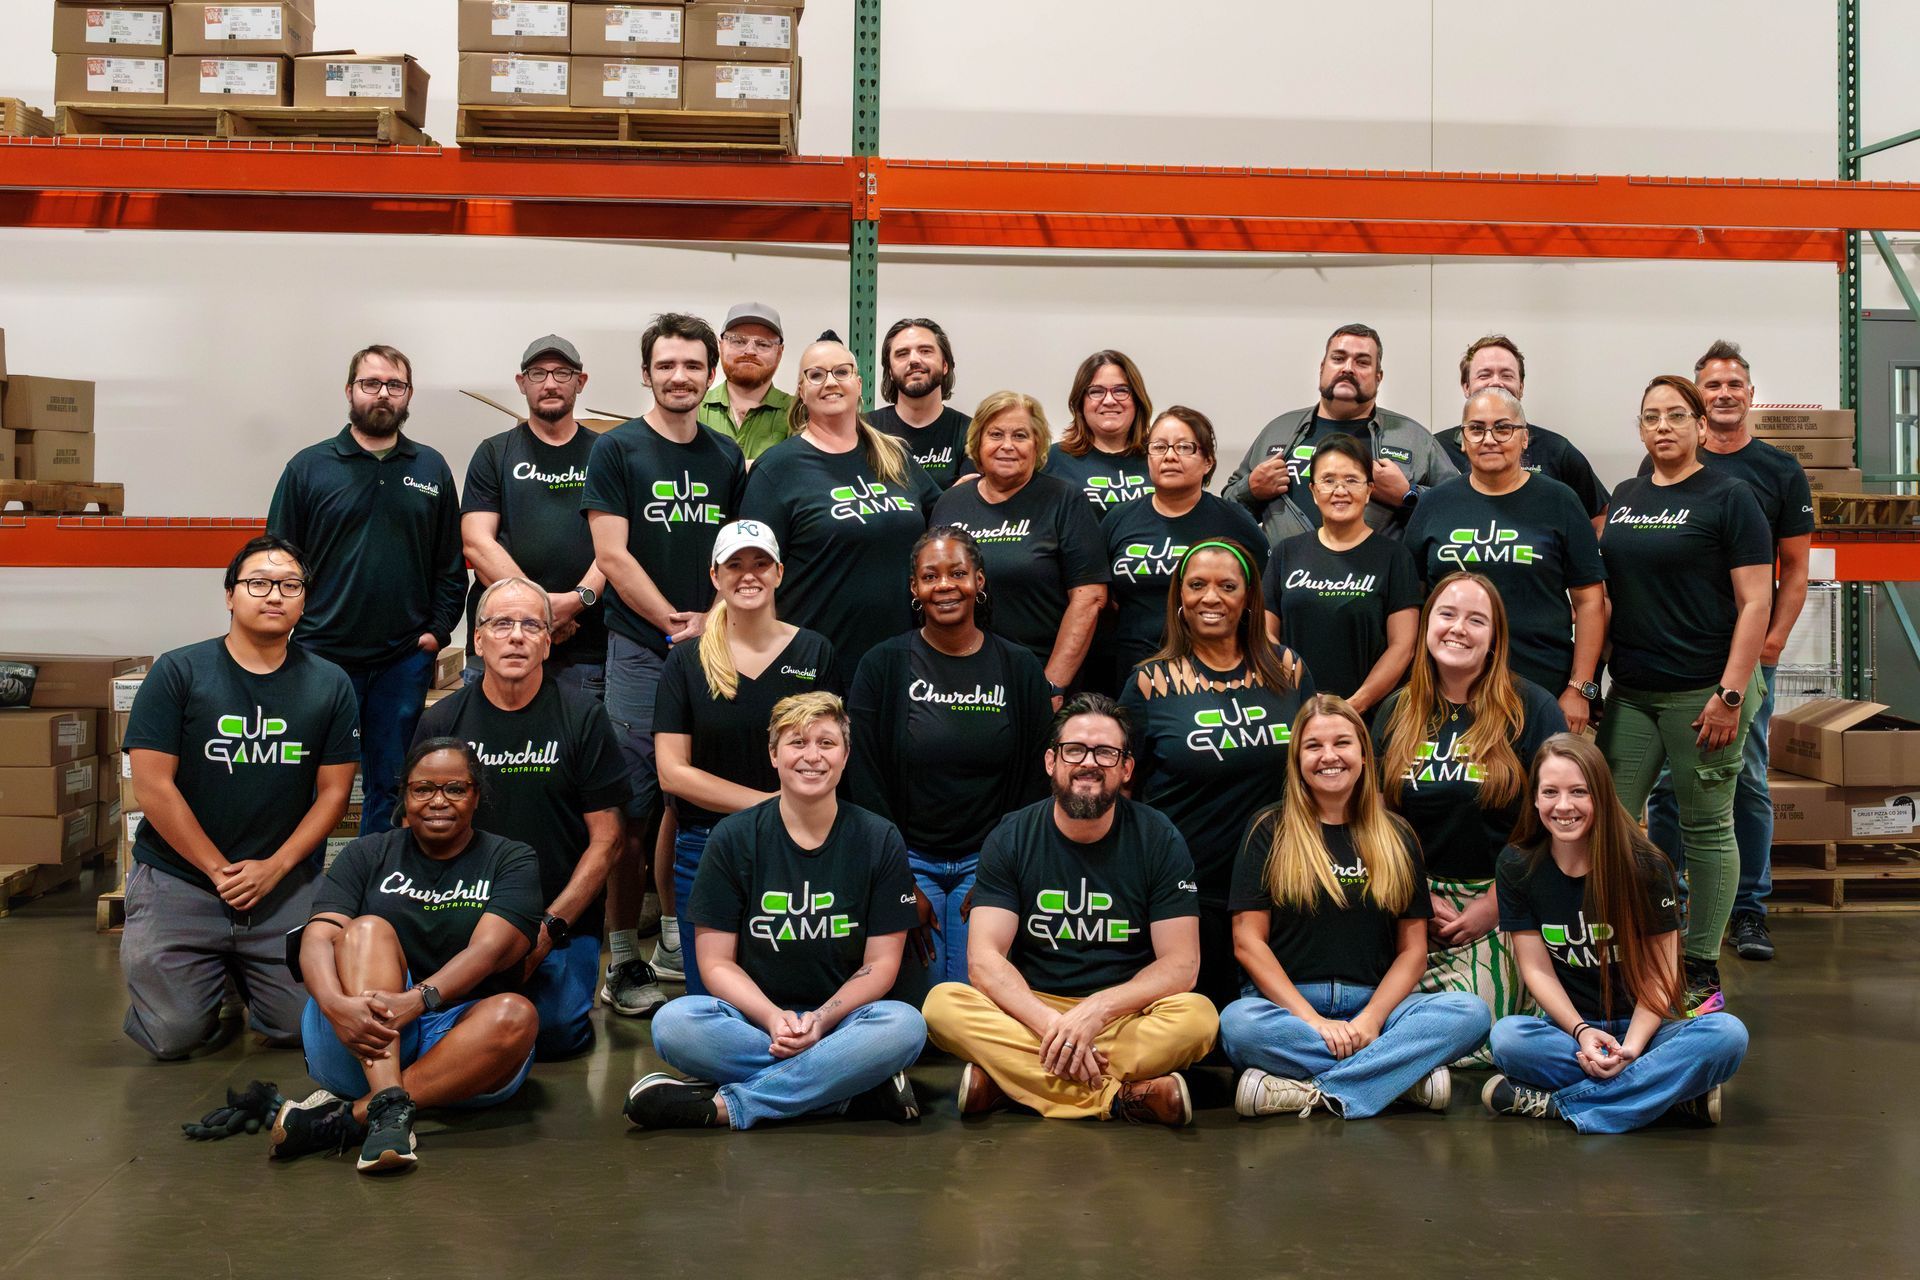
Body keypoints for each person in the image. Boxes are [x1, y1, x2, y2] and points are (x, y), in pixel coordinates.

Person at [626, 693, 928, 1130]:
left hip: (843, 1023)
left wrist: (822, 1020)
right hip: (754, 1023)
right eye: (797, 742)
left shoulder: (878, 838)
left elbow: (881, 964)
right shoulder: (732, 838)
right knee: (674, 1023)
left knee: (905, 1025)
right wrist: (772, 1018)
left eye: (826, 743)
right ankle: (850, 1089)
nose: (812, 757)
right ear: (773, 754)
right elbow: (714, 963)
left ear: (846, 755)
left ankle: (733, 1104)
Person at [922, 694, 1218, 1126]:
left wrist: (1096, 1010)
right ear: (1051, 761)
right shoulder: (1012, 835)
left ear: (1126, 768)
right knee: (942, 1005)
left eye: (1106, 752)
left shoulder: (1158, 837)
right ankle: (1119, 1098)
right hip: (1031, 1012)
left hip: (1121, 1014)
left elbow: (1181, 964)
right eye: (1074, 750)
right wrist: (1050, 1025)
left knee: (1199, 1019)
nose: (1089, 763)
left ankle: (1014, 1085)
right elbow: (983, 961)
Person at [121, 535, 360, 1060]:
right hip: (181, 878)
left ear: (305, 600)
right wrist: (216, 870)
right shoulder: (179, 672)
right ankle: (215, 978)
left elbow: (334, 793)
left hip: (282, 885)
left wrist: (274, 869)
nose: (273, 595)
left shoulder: (329, 684)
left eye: (289, 585)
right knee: (172, 1038)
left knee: (304, 1030)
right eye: (258, 583)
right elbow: (152, 785)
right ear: (230, 595)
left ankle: (243, 969)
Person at [269, 739, 543, 1175]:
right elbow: (318, 937)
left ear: (476, 796)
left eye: (455, 788)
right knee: (367, 930)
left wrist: (417, 1001)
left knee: (517, 1014)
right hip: (363, 1035)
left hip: (461, 1049)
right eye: (423, 789)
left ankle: (356, 1116)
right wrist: (334, 1006)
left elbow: (489, 950)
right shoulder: (366, 853)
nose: (438, 801)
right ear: (405, 796)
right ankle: (387, 1104)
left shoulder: (511, 858)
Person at [583, 313, 747, 1019]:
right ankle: (621, 956)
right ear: (647, 373)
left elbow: (739, 552)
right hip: (642, 650)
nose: (679, 376)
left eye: (691, 365)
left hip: (713, 645)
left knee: (695, 798)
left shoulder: (724, 456)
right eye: (666, 365)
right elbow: (613, 554)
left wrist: (709, 620)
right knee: (633, 805)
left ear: (711, 374)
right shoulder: (616, 450)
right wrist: (672, 624)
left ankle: (679, 941)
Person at [1220, 696, 1490, 1118]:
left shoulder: (1398, 835)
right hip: (1289, 1009)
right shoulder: (1267, 829)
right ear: (1297, 760)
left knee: (1470, 1013)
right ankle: (1398, 1079)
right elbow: (1247, 943)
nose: (1329, 756)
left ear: (1363, 755)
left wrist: (1369, 1021)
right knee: (1239, 1024)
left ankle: (1312, 1090)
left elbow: (1413, 951)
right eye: (1314, 746)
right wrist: (1312, 1021)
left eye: (1342, 743)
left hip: (1377, 1006)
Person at [1598, 375, 1769, 1016]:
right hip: (1634, 691)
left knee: (1705, 828)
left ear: (1701, 425)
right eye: (1650, 417)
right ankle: (1626, 949)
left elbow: (1757, 600)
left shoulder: (1731, 497)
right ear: (1640, 430)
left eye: (1676, 415)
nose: (1662, 426)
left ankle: (1698, 966)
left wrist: (1731, 694)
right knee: (1607, 822)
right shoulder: (1626, 495)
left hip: (1705, 693)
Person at [1643, 340, 1813, 963]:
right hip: (1677, 664)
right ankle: (1675, 898)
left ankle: (1748, 910)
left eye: (1733, 385)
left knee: (1747, 781)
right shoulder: (1656, 469)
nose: (1722, 394)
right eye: (1710, 386)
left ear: (1749, 394)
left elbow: (1794, 569)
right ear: (1695, 398)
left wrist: (1770, 646)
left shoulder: (1776, 471)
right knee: (1666, 786)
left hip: (1743, 661)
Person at [1485, 734, 1748, 1132]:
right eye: (1550, 792)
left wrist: (1632, 1049)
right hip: (1571, 1035)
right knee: (1508, 1038)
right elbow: (1536, 969)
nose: (1563, 806)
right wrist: (1583, 1031)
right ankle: (1668, 1097)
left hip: (1644, 1029)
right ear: (1535, 800)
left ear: (1602, 797)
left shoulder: (1646, 866)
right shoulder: (1517, 865)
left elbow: (1661, 976)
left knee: (1727, 1033)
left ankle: (1557, 1106)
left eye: (1579, 792)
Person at [414, 578, 631, 1055]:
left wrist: (549, 931)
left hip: (555, 922)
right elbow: (415, 836)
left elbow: (608, 840)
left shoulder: (583, 718)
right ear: (477, 638)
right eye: (502, 623)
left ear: (548, 641)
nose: (516, 636)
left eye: (532, 625)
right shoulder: (441, 722)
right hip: (462, 917)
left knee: (554, 1035)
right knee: (440, 1019)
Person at [267, 344, 465, 835]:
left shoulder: (431, 469)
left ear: (409, 395)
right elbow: (278, 562)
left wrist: (436, 633)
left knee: (393, 785)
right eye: (371, 383)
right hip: (321, 656)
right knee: (310, 783)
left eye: (394, 386)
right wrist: (293, 633)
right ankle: (304, 896)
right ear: (350, 390)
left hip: (402, 658)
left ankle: (377, 896)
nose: (382, 394)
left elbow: (451, 563)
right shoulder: (309, 468)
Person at [849, 526, 1055, 987]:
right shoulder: (882, 665)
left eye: (958, 573)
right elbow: (863, 776)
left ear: (979, 581)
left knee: (965, 999)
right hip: (906, 858)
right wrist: (898, 877)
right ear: (914, 588)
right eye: (930, 576)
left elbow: (1035, 779)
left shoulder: (1019, 667)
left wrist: (1001, 870)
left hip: (988, 858)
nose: (945, 585)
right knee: (920, 1010)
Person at [1375, 572, 1568, 1050]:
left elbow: (1560, 825)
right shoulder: (1396, 710)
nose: (1458, 628)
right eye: (1447, 614)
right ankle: (1408, 1064)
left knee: (1475, 1018)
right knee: (1368, 1006)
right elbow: (1373, 822)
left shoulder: (1532, 709)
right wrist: (1412, 893)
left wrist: (1497, 904)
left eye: (1476, 620)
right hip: (1410, 900)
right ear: (1426, 627)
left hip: (1503, 902)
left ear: (1494, 640)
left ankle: (1401, 1064)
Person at [1119, 539, 1312, 1007]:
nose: (1211, 598)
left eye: (1227, 586)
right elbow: (1122, 789)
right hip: (1185, 890)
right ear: (1179, 598)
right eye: (1197, 585)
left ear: (1248, 600)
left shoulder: (1288, 670)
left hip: (1278, 885)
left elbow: (1315, 767)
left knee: (1268, 1022)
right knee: (1198, 1025)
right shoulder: (1149, 681)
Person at [653, 520, 840, 992]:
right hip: (707, 846)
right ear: (715, 576)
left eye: (760, 563)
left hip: (799, 847)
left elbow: (830, 754)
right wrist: (766, 804)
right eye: (734, 564)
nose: (748, 575)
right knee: (710, 1006)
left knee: (794, 992)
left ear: (779, 572)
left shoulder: (814, 652)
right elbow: (672, 772)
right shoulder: (688, 659)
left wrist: (785, 813)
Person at [738, 338, 942, 686]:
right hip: (812, 665)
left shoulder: (894, 456)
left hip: (900, 663)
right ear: (801, 391)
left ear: (858, 384)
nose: (830, 382)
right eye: (816, 375)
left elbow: (942, 520)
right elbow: (753, 574)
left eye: (841, 372)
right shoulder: (778, 469)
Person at [1405, 387, 1607, 731]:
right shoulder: (1434, 504)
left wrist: (1580, 688)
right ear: (1463, 439)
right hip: (1450, 688)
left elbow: (1591, 603)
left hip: (1543, 685)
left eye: (1503, 428)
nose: (1489, 439)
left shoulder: (1560, 501)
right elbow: (1410, 602)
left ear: (1524, 438)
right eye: (1476, 428)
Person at [458, 335, 610, 695]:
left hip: (584, 647)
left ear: (580, 381)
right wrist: (538, 610)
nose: (551, 383)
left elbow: (618, 543)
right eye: (538, 373)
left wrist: (575, 603)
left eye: (562, 373)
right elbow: (477, 543)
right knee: (488, 750)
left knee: (579, 749)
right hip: (499, 645)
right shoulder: (494, 453)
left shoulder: (607, 453)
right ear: (521, 383)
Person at [931, 390, 1108, 693]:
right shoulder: (950, 503)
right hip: (956, 673)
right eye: (996, 434)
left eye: (1020, 435)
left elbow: (1089, 599)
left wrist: (1051, 685)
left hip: (1036, 674)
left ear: (1037, 444)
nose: (1007, 446)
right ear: (978, 443)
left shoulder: (1065, 501)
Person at [1222, 323, 1459, 546]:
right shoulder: (1279, 430)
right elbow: (1226, 509)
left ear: (1379, 377)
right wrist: (1251, 489)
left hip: (1377, 582)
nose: (1348, 368)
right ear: (1322, 368)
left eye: (1362, 362)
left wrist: (1408, 496)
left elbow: (1458, 506)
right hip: (1286, 583)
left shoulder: (1412, 437)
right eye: (1338, 358)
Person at [1102, 406, 1268, 680]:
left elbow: (1264, 594)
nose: (1169, 456)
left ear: (1208, 461)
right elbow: (1102, 599)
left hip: (1210, 670)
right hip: (1131, 669)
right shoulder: (1119, 519)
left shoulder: (1234, 520)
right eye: (1159, 447)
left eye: (1184, 447)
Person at [1262, 433, 1421, 718]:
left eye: (1351, 480)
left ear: (1370, 490)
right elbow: (1265, 636)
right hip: (1294, 710)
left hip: (1369, 715)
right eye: (1328, 480)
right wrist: (1304, 693)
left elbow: (1403, 647)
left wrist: (1355, 704)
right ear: (1312, 490)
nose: (1340, 490)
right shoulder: (1286, 554)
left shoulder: (1394, 557)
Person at [1435, 335, 1609, 528]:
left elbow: (1602, 515)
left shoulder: (1557, 450)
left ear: (1521, 387)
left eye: (1506, 375)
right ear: (1466, 387)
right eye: (1484, 375)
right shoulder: (1436, 448)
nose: (1496, 382)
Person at [1039, 349, 1156, 516]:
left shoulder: (1159, 457)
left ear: (1137, 400)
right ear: (1080, 403)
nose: (1109, 400)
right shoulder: (1052, 460)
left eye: (1121, 390)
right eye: (1096, 391)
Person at [869, 317, 975, 489]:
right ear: (889, 370)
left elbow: (967, 503)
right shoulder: (866, 429)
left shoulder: (972, 432)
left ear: (945, 365)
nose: (914, 360)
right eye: (902, 354)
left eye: (925, 351)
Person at [696, 302, 792, 462]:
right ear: (721, 346)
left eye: (763, 344)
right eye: (738, 341)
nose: (750, 351)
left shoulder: (798, 413)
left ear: (779, 353)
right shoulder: (694, 408)